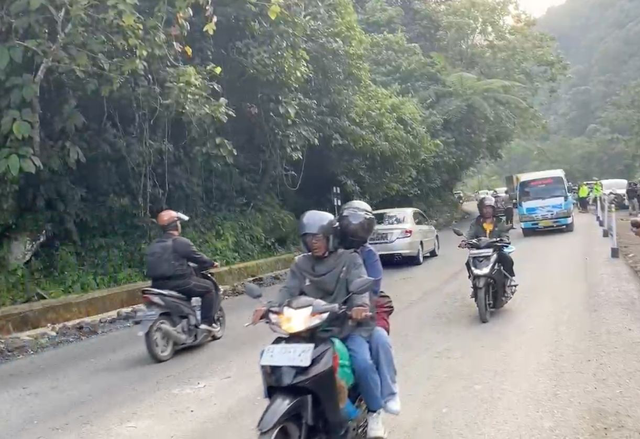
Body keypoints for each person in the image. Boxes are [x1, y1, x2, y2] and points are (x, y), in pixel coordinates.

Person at [251, 210, 388, 438]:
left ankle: (374, 412)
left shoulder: (349, 259)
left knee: (362, 362)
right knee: (277, 357)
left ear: (330, 237)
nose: (312, 243)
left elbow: (359, 286)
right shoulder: (301, 264)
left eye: (318, 237)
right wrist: (268, 307)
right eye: (308, 238)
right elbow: (288, 291)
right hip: (309, 331)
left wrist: (359, 306)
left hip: (345, 327)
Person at [339, 201, 400, 417]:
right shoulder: (328, 252)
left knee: (379, 341)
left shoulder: (369, 256)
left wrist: (359, 307)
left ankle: (388, 394)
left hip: (360, 316)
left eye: (361, 226)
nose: (354, 230)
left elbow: (369, 291)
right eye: (350, 224)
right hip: (328, 317)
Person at [145, 210, 221, 332]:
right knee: (209, 288)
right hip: (180, 283)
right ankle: (207, 322)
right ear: (175, 225)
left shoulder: (154, 245)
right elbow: (197, 257)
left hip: (157, 285)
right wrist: (212, 263)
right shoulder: (179, 242)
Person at [461, 196, 515, 281]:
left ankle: (507, 281)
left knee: (507, 259)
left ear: (493, 209)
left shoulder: (499, 221)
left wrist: (504, 240)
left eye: (489, 208)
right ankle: (474, 280)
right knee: (468, 262)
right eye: (485, 208)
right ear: (480, 210)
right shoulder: (476, 222)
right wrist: (465, 241)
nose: (487, 210)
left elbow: (504, 233)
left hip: (495, 250)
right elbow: (470, 233)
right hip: (479, 251)